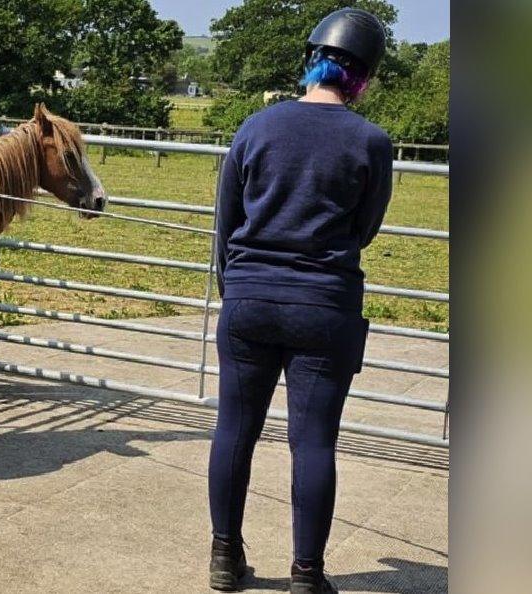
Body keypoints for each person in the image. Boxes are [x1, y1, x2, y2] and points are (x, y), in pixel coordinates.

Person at [207, 8, 393, 594]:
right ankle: (307, 575)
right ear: (361, 77)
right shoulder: (372, 141)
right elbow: (365, 229)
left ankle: (224, 558)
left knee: (235, 428)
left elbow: (225, 224)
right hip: (324, 305)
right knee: (313, 440)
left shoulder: (254, 128)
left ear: (310, 59)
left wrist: (238, 286)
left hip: (250, 300)